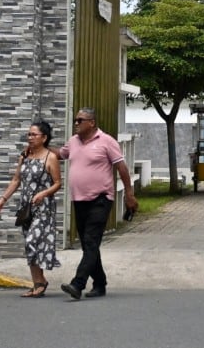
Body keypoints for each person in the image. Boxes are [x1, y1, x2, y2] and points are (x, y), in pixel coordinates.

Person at [56, 108, 137, 300]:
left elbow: (122, 168)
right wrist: (40, 149)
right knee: (88, 245)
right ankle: (100, 284)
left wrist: (129, 194)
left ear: (91, 122)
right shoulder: (73, 142)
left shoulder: (106, 141)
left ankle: (78, 284)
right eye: (75, 120)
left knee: (91, 241)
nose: (76, 123)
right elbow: (60, 154)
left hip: (100, 199)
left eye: (80, 120)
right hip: (79, 199)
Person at [0, 120, 62, 297]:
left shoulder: (50, 158)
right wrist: (3, 198)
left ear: (44, 137)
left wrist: (44, 194)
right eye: (29, 134)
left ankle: (41, 282)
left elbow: (57, 183)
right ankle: (38, 283)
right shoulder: (24, 156)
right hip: (26, 208)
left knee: (33, 240)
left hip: (43, 207)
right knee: (28, 244)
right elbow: (16, 180)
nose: (30, 138)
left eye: (34, 134)